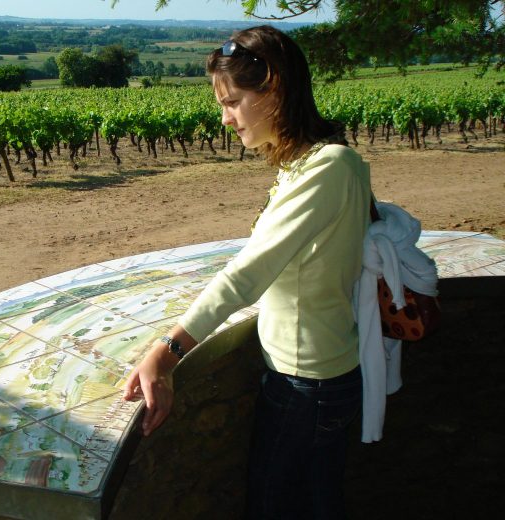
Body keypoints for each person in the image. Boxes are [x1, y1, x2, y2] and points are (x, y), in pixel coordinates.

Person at [122, 25, 371, 520]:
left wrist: (165, 353)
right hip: (316, 377)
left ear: (274, 88)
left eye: (233, 101)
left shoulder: (328, 169)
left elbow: (246, 275)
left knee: (275, 507)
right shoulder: (305, 164)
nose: (225, 118)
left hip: (308, 385)